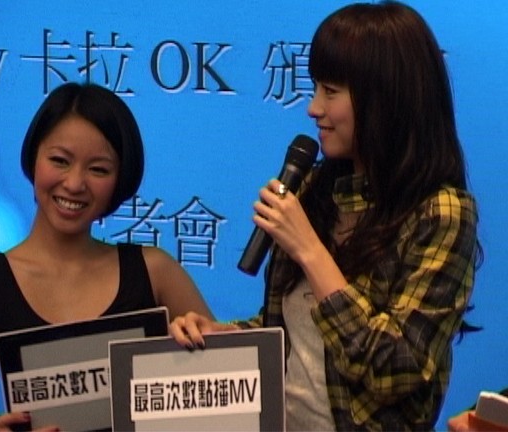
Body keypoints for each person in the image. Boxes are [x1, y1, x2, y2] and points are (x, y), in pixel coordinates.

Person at [170, 1, 481, 430]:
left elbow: (396, 369)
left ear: (385, 99)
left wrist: (310, 250)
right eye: (315, 88)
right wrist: (231, 336)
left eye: (330, 92)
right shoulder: (316, 187)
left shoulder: (441, 212)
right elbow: (300, 331)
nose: (313, 108)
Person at [0, 82, 213, 431]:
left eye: (99, 169)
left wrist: (201, 345)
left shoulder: (155, 271)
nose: (75, 184)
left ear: (120, 180)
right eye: (60, 161)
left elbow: (238, 384)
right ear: (34, 159)